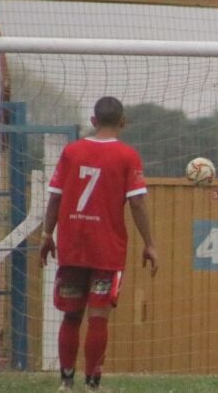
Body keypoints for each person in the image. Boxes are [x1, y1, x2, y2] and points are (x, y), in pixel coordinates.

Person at [39, 96, 158, 391]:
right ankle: (93, 384)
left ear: (93, 121)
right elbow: (138, 204)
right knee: (98, 316)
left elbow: (55, 196)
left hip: (72, 247)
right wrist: (150, 243)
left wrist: (46, 235)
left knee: (71, 313)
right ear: (123, 122)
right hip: (107, 250)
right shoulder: (128, 156)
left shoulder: (71, 152)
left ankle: (66, 383)